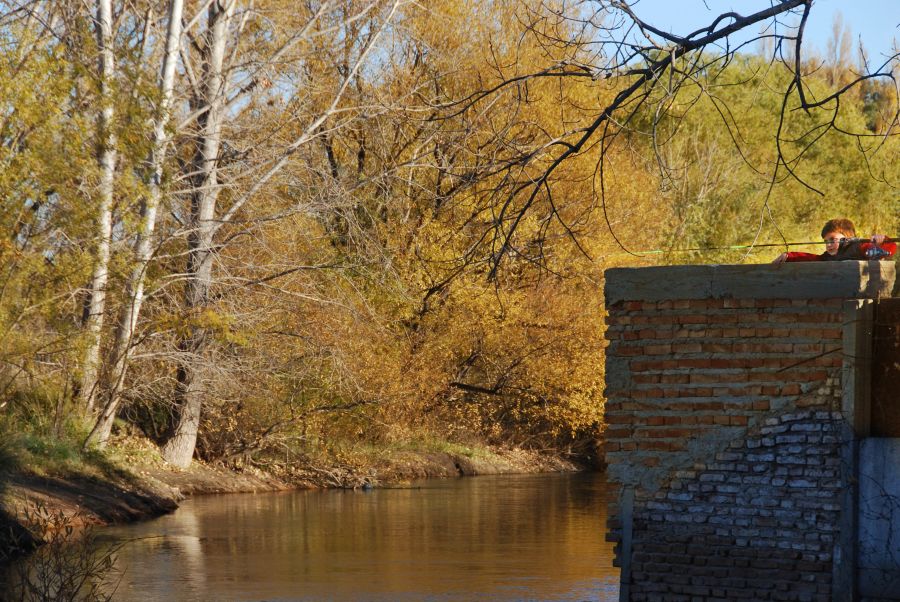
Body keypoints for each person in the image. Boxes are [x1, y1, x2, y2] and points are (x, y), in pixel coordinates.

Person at [772, 218, 896, 263]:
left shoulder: (860, 247)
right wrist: (789, 256)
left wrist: (883, 241)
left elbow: (890, 249)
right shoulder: (827, 257)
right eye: (826, 241)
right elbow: (811, 259)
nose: (829, 244)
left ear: (847, 238)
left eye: (832, 239)